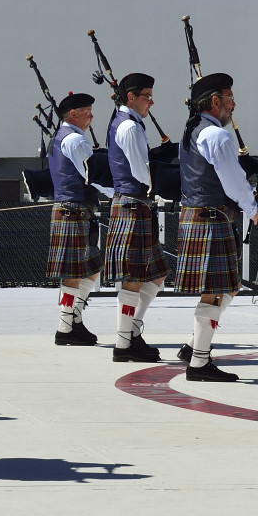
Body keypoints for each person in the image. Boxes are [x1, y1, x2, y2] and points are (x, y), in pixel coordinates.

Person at [174, 73, 258, 381]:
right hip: (212, 217)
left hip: (198, 215)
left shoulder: (194, 130)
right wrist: (251, 207)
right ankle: (198, 362)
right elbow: (233, 182)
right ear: (215, 102)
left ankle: (194, 345)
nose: (233, 104)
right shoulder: (217, 136)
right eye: (230, 98)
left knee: (228, 288)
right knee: (215, 292)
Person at [104, 73, 166, 362]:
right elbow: (141, 169)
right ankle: (123, 344)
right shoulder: (129, 126)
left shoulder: (128, 122)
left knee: (157, 275)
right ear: (131, 97)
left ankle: (132, 333)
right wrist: (165, 185)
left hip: (134, 204)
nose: (151, 102)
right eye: (147, 96)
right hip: (133, 202)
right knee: (133, 278)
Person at [47, 91, 104, 346]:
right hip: (73, 209)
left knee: (92, 268)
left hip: (76, 210)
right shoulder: (73, 140)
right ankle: (66, 327)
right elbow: (94, 176)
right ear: (73, 114)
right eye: (87, 112)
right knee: (73, 272)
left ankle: (73, 320)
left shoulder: (63, 137)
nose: (91, 116)